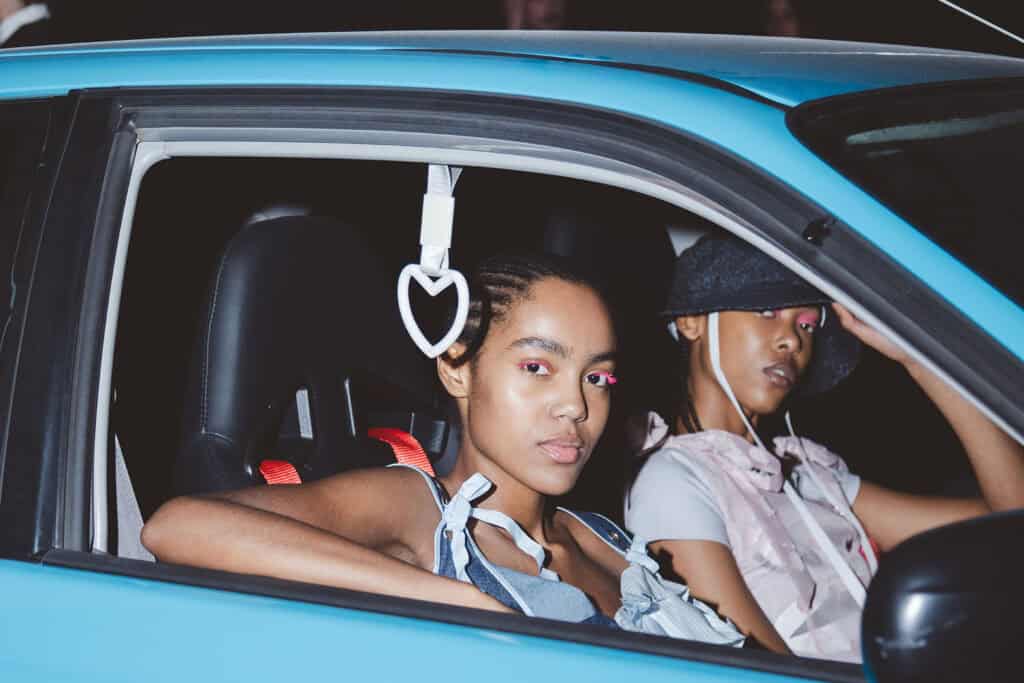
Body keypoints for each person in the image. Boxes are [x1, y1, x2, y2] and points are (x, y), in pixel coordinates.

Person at [142, 252, 743, 644]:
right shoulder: (423, 512)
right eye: (537, 366)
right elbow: (179, 527)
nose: (576, 407)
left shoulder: (602, 537)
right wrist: (457, 601)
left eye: (598, 377)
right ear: (458, 370)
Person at [624, 235, 1024, 662]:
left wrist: (920, 362)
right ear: (692, 322)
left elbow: (1010, 521)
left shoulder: (805, 473)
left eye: (807, 325)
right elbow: (762, 669)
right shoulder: (673, 481)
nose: (792, 341)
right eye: (766, 311)